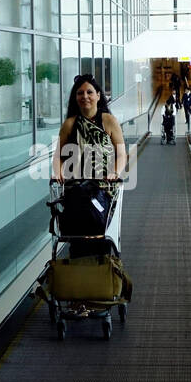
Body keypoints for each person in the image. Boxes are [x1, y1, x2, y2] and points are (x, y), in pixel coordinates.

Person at [53, 74, 127, 253]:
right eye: (80, 93)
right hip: (76, 188)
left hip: (102, 188)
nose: (84, 96)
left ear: (98, 96)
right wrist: (58, 171)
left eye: (89, 92)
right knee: (77, 237)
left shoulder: (109, 121)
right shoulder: (70, 124)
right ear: (75, 97)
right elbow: (58, 155)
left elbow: (121, 154)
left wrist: (114, 173)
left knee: (98, 234)